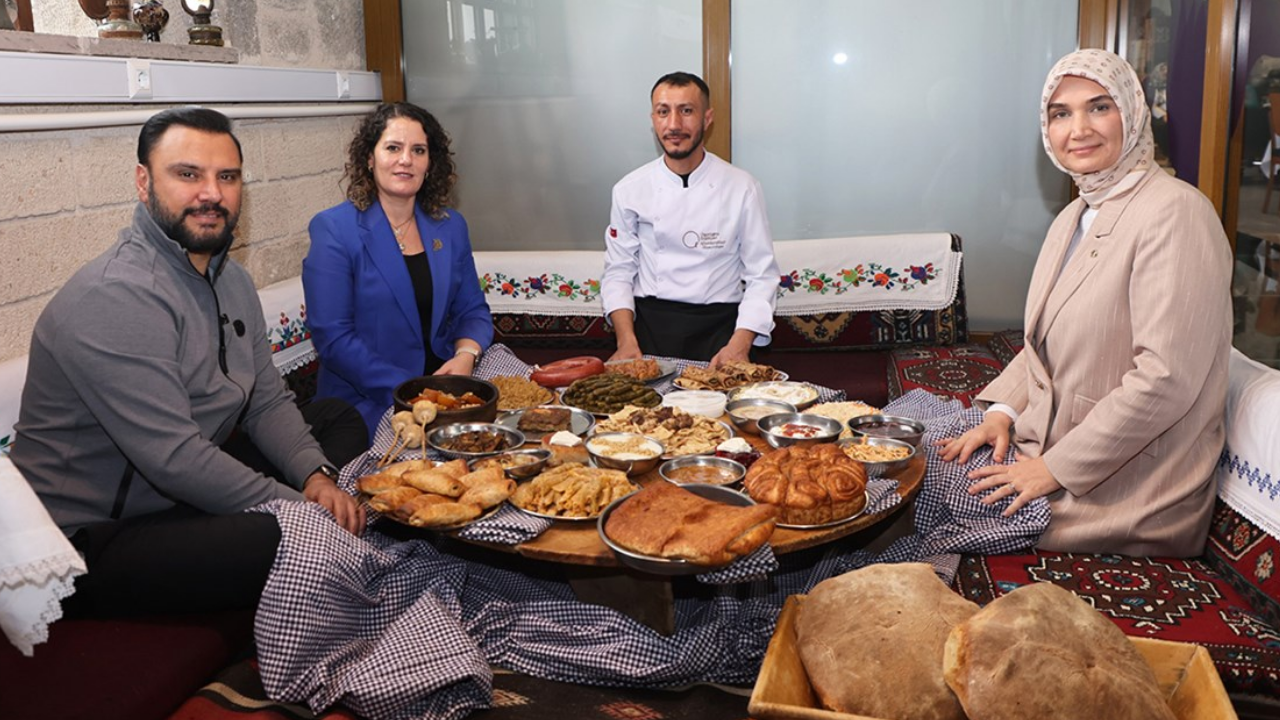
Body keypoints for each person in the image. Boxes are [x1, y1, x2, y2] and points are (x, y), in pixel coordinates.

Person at [11, 107, 369, 618]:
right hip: (88, 538)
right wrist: (299, 509)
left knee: (337, 419)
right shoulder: (115, 295)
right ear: (143, 183)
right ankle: (314, 535)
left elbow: (266, 400)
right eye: (188, 174)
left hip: (181, 491)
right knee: (277, 535)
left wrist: (316, 478)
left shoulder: (232, 280)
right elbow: (175, 459)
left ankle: (316, 522)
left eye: (227, 177)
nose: (211, 194)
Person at [938, 49, 1232, 557]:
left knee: (913, 503)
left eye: (1099, 107)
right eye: (1061, 113)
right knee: (907, 453)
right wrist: (1001, 413)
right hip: (1050, 444)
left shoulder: (1177, 213)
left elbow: (1167, 379)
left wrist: (1052, 469)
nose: (1078, 129)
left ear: (1132, 113)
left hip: (1129, 487)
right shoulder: (1074, 215)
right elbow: (1043, 343)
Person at [304, 102, 492, 435]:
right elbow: (334, 338)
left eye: (418, 150)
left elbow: (473, 310)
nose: (406, 159)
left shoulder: (450, 226)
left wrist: (466, 356)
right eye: (393, 148)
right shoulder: (334, 229)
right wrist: (414, 392)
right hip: (368, 401)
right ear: (370, 158)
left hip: (447, 388)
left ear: (430, 162)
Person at [601, 71, 780, 365]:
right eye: (663, 112)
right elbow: (618, 272)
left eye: (686, 111)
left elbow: (762, 275)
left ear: (707, 119)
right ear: (653, 119)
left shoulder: (742, 187)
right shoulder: (629, 189)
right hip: (649, 329)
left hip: (721, 330)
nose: (674, 125)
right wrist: (626, 342)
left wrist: (739, 346)